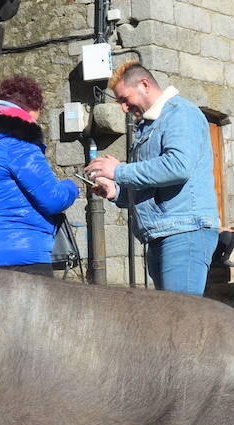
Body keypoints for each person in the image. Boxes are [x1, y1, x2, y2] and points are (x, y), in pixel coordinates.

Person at [85, 62, 219, 295]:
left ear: (144, 85)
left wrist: (119, 171)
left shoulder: (181, 113)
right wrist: (117, 192)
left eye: (125, 99)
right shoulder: (148, 126)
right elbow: (153, 182)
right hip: (162, 233)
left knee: (178, 319)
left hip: (185, 231)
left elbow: (178, 166)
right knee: (170, 320)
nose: (124, 108)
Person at [0, 77, 79, 275]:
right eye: (34, 119)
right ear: (27, 112)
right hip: (21, 253)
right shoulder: (17, 142)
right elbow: (53, 199)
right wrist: (72, 186)